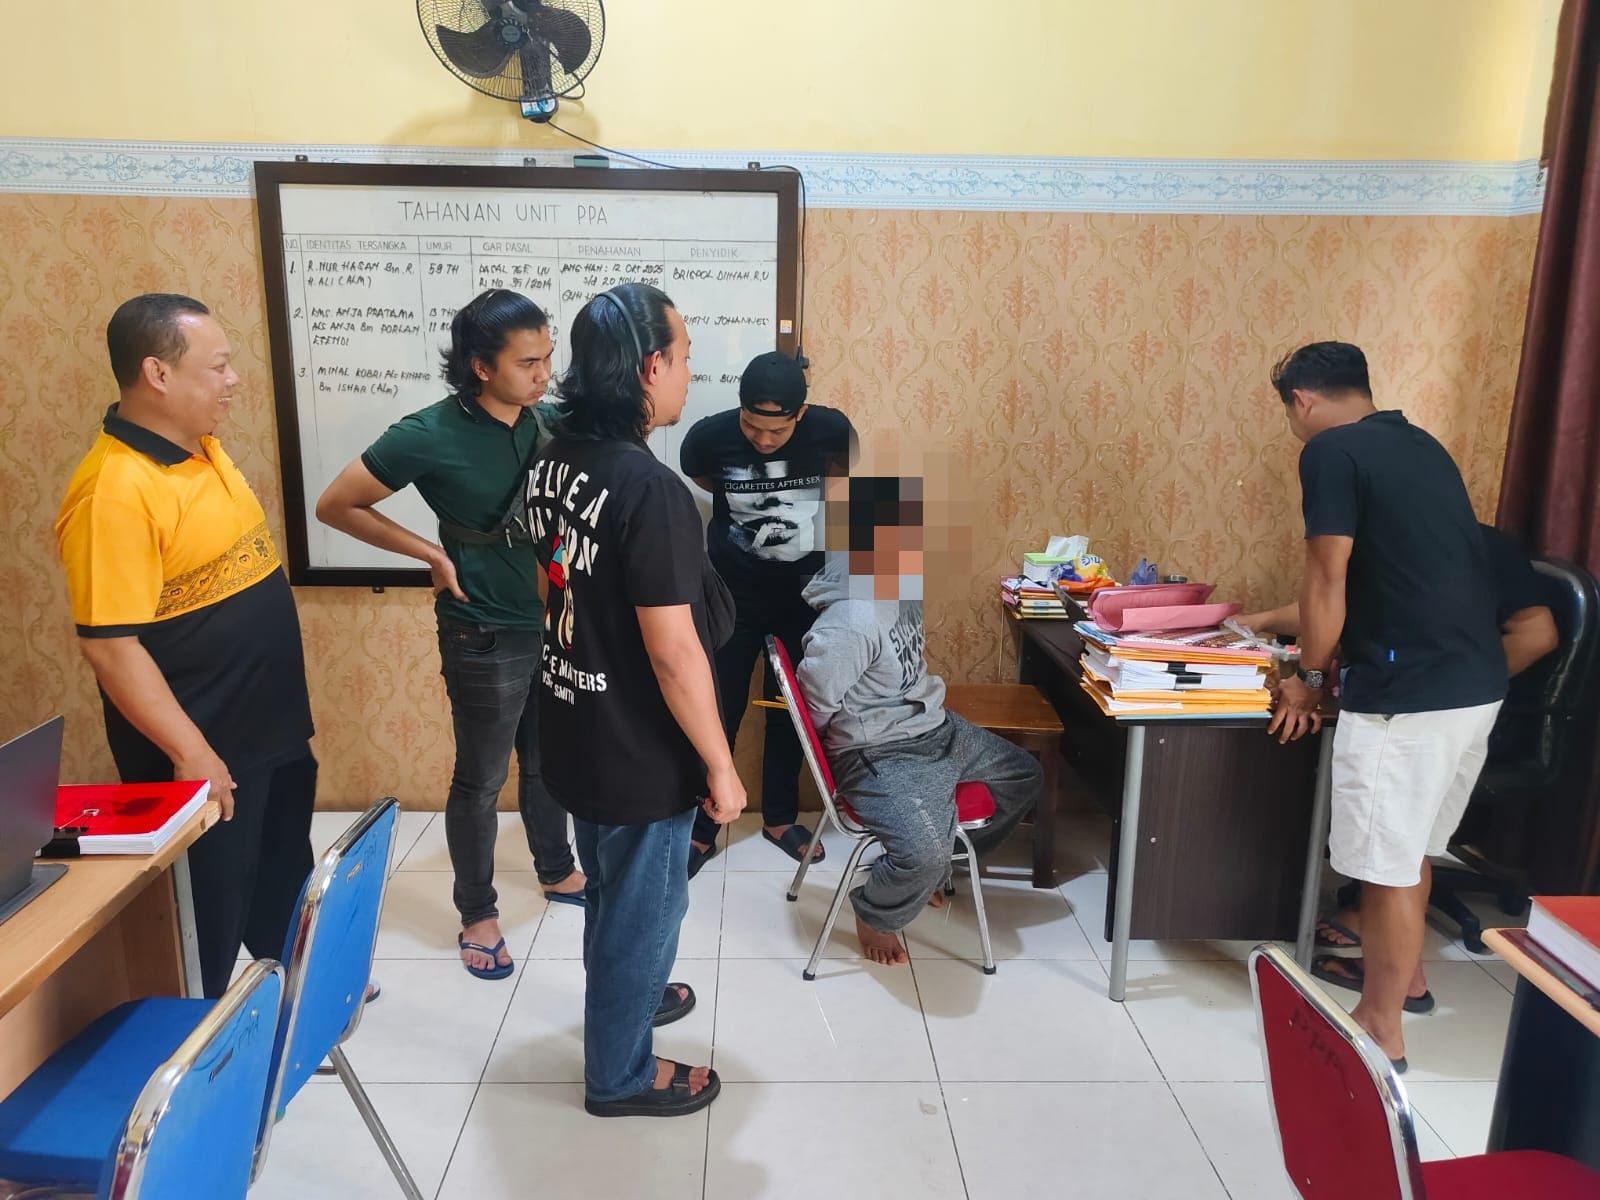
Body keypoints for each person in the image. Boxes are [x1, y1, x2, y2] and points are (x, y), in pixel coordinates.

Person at [316, 289, 585, 982]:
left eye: (548, 357)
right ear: (480, 367)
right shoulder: (428, 433)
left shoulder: (547, 419)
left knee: (550, 762)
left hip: (553, 622)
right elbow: (336, 504)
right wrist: (431, 555)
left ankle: (557, 869)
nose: (544, 374)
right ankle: (478, 913)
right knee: (482, 778)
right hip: (483, 630)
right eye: (527, 362)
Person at [55, 294, 317, 999]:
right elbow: (110, 647)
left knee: (280, 863)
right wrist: (192, 752)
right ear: (158, 374)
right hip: (206, 744)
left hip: (268, 724)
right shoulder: (114, 491)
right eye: (218, 366)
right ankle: (202, 1030)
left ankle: (296, 981)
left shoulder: (201, 448)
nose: (234, 380)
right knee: (209, 906)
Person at [527, 281, 745, 1117]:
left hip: (577, 722)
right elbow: (673, 651)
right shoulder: (648, 488)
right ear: (652, 367)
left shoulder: (555, 455)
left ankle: (633, 998)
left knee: (615, 893)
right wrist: (720, 765)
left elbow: (561, 585)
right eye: (684, 358)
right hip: (635, 746)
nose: (689, 374)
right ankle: (619, 1074)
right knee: (643, 911)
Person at [1265, 341, 1508, 1072]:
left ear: (1302, 400)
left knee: (1387, 866)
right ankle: (1407, 987)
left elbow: (1326, 575)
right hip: (1475, 686)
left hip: (1409, 697)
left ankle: (1379, 1030)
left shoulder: (1331, 451)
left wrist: (1307, 676)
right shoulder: (1421, 446)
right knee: (1408, 857)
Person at [1238, 522, 1558, 1005]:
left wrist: (1452, 684)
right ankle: (1394, 966)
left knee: (1389, 853)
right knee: (1404, 849)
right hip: (1450, 707)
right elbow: (1339, 609)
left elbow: (1538, 635)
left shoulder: (1449, 542)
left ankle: (1395, 990)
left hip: (1432, 713)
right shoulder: (1432, 538)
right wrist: (1259, 620)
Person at [795, 474, 1041, 966]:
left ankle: (936, 870)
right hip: (881, 752)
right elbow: (815, 700)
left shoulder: (900, 587)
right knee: (921, 853)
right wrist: (844, 753)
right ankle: (876, 910)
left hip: (936, 727)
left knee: (1024, 775)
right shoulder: (851, 619)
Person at [678, 351, 856, 875]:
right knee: (719, 708)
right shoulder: (708, 438)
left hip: (802, 596)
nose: (762, 439)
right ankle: (703, 827)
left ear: (801, 415)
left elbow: (841, 467)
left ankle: (779, 818)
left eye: (776, 431)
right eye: (752, 426)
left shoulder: (830, 429)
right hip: (731, 596)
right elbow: (702, 478)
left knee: (790, 710)